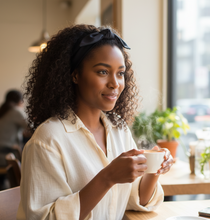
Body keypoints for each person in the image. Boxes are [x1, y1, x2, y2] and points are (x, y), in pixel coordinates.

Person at [17, 25, 173, 220]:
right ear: (75, 75)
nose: (115, 84)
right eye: (102, 72)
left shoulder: (119, 129)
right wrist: (107, 177)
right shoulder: (48, 139)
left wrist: (154, 170)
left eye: (120, 73)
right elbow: (44, 218)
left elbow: (135, 200)